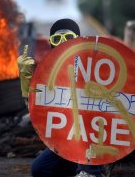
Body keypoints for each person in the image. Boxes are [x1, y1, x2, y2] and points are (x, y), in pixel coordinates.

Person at [17, 19, 105, 177]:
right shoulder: (50, 73)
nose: (63, 43)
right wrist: (26, 79)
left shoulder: (93, 66)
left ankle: (93, 172)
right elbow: (38, 112)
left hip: (94, 141)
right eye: (57, 39)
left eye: (68, 37)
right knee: (39, 169)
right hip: (66, 141)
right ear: (51, 44)